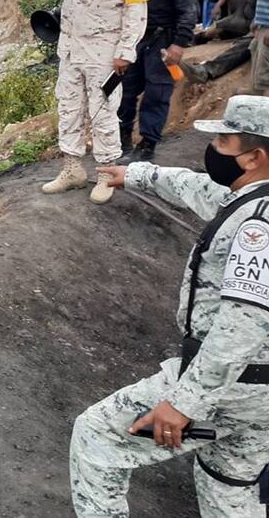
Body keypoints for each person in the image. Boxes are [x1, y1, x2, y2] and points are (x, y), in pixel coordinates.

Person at [76, 95, 269, 517]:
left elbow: (243, 326)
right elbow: (196, 187)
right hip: (260, 397)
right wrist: (138, 175)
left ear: (253, 157)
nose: (213, 151)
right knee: (230, 483)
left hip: (237, 386)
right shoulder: (249, 200)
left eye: (224, 144)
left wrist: (184, 403)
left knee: (97, 437)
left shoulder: (259, 226)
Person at [0, 0, 149, 204]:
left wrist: (126, 52)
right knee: (69, 108)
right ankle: (72, 169)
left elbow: (136, 10)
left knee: (103, 112)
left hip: (104, 52)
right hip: (71, 47)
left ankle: (105, 174)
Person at [117, 0, 200, 165]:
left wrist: (179, 44)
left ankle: (147, 147)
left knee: (156, 93)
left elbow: (189, 8)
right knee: (126, 92)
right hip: (136, 36)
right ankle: (122, 143)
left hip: (163, 40)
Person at [184, 0, 267, 84]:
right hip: (251, 24)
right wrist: (217, 6)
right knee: (224, 31)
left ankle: (207, 71)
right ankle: (195, 41)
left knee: (244, 45)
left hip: (255, 26)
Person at [253, 0, 269, 95]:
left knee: (265, 61)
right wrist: (259, 24)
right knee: (255, 49)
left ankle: (263, 96)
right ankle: (256, 89)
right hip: (263, 25)